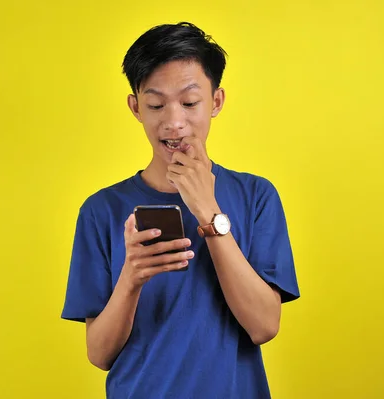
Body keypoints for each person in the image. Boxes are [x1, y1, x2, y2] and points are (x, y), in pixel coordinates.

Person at [61, 21, 300, 399]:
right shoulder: (101, 210)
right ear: (136, 107)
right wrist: (131, 278)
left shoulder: (256, 196)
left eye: (190, 103)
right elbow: (99, 353)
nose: (174, 122)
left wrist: (209, 213)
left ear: (216, 102)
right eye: (156, 104)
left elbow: (264, 326)